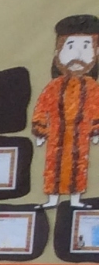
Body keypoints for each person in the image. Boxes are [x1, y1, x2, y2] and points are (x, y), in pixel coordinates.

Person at [32, 13, 99, 207]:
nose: (77, 55)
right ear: (58, 52)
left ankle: (75, 199)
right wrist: (40, 130)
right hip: (56, 134)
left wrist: (95, 130)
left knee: (79, 165)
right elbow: (42, 107)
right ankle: (52, 199)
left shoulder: (92, 87)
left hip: (81, 134)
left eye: (85, 47)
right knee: (53, 166)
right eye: (70, 47)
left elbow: (96, 108)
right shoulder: (53, 86)